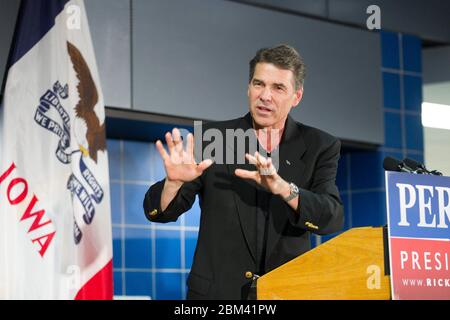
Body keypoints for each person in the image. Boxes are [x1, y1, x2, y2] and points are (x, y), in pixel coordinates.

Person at [143, 44, 344, 300]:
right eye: (259, 84)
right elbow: (160, 213)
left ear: (297, 96)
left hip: (285, 294)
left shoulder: (320, 145)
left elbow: (331, 217)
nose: (265, 96)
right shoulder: (212, 139)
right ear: (248, 87)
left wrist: (284, 189)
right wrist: (173, 183)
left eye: (278, 88)